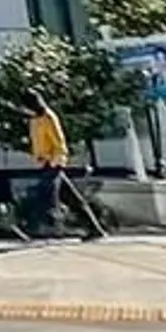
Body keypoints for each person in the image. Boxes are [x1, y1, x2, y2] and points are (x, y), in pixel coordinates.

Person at [23, 92, 106, 240]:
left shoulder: (48, 118)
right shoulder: (34, 120)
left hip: (54, 162)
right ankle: (94, 228)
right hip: (44, 162)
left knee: (43, 194)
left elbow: (59, 141)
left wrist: (57, 160)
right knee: (71, 198)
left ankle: (33, 227)